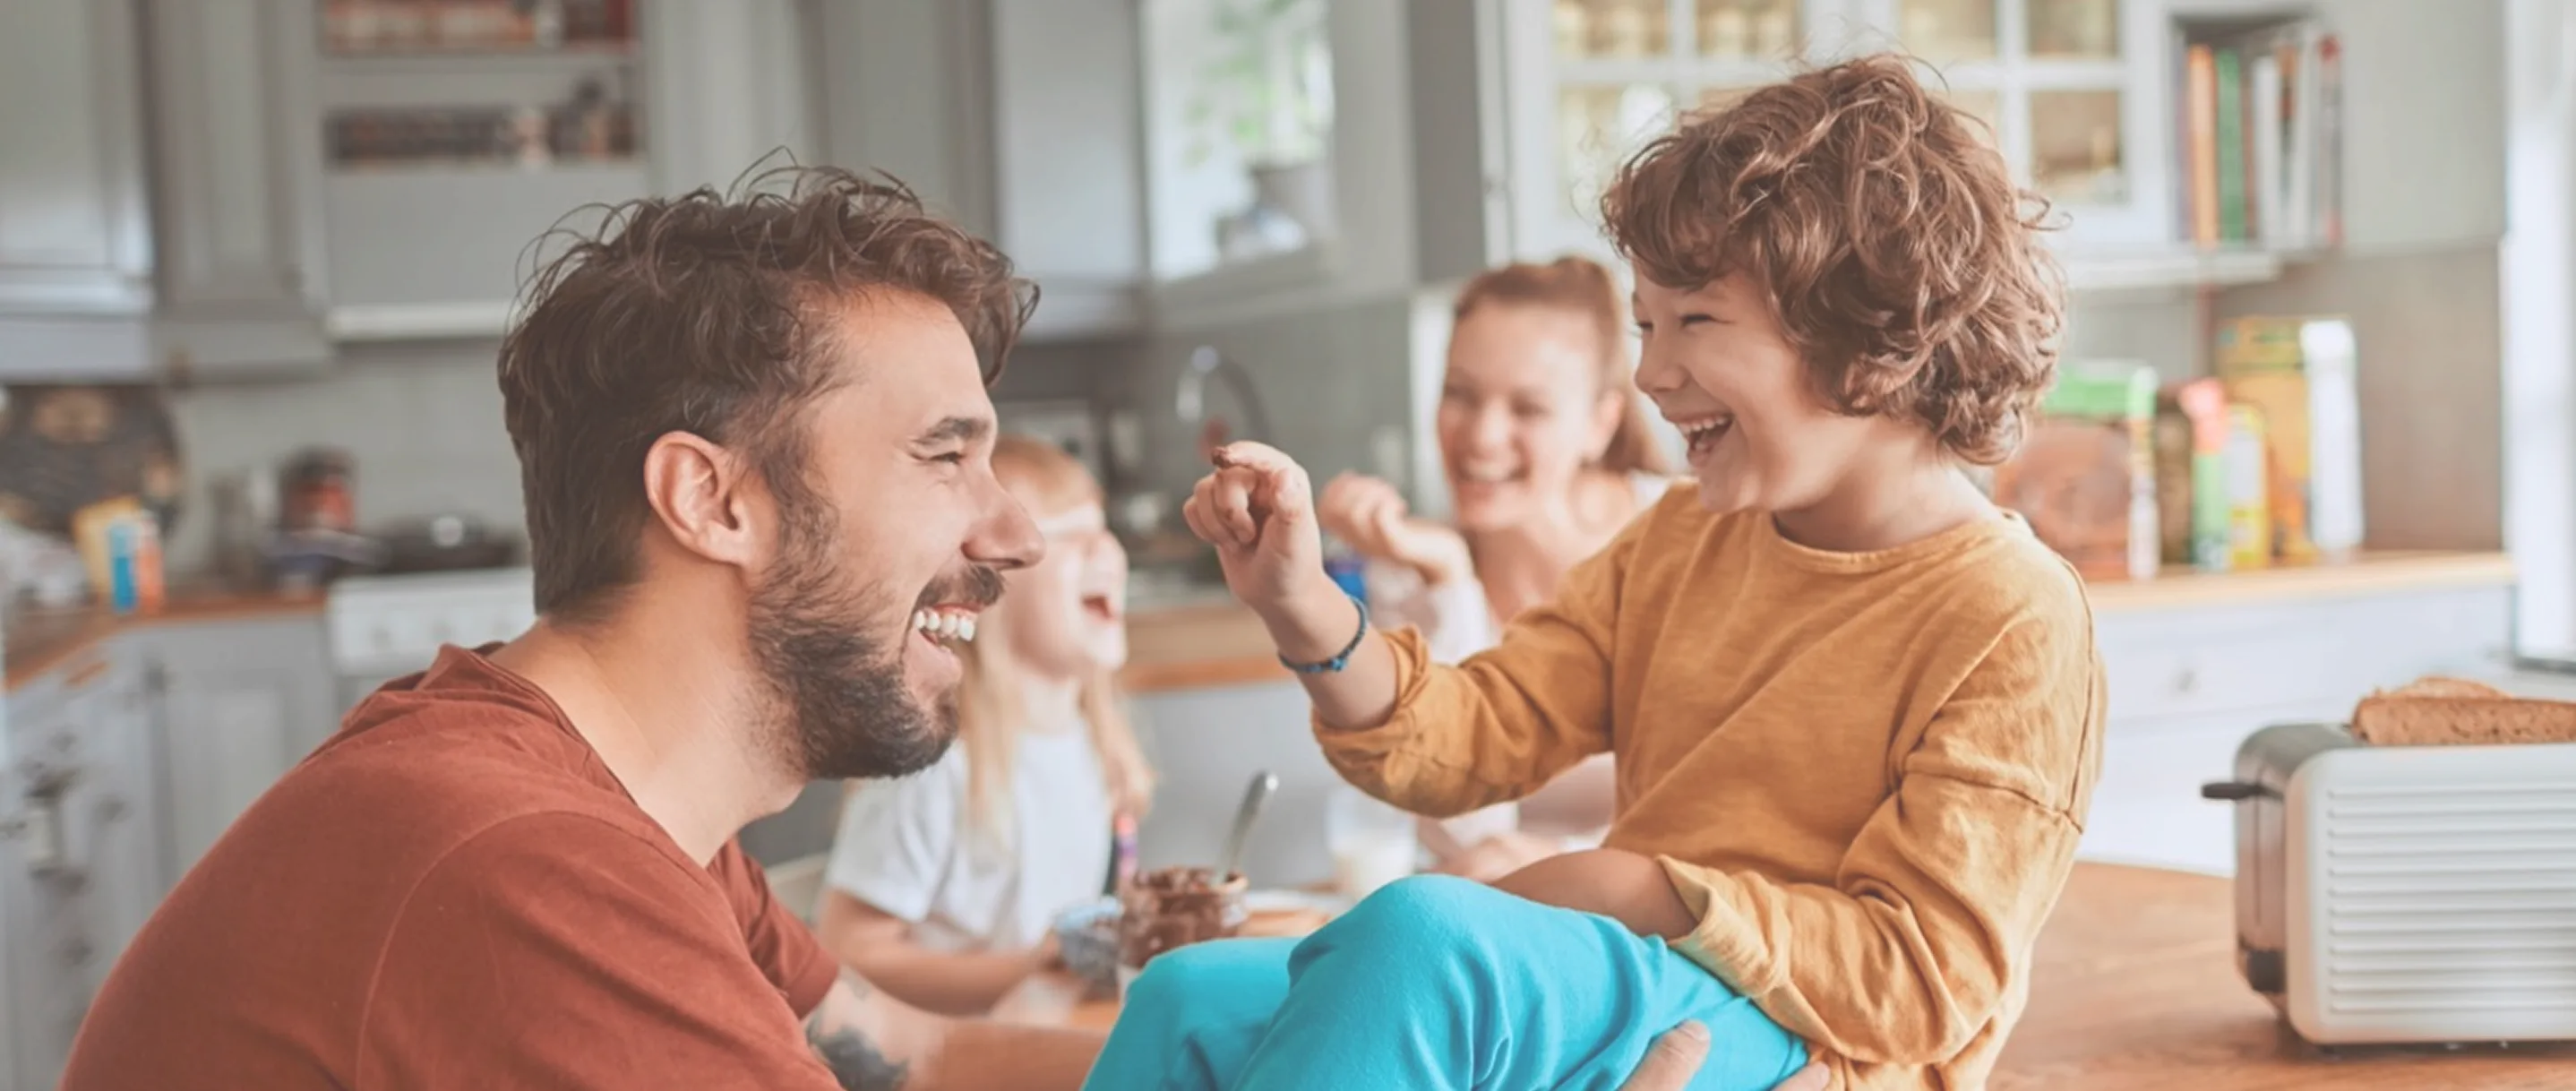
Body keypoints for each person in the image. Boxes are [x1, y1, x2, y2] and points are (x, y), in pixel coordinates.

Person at [56, 166, 1735, 1091]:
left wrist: (1307, 1030)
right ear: (712, 500)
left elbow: (909, 1055)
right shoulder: (513, 867)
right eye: (949, 458)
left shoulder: (622, 818)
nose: (1008, 535)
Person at [1105, 52, 2102, 1091]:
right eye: (1643, 325)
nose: (1649, 375)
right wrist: (1301, 604)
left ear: (1869, 339)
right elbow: (1470, 738)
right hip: (1636, 978)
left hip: (1807, 1048)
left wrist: (1636, 889)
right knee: (1185, 998)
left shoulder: (2011, 615)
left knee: (1423, 937)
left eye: (1695, 322)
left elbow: (1924, 980)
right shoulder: (1679, 540)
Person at [1318, 255, 1673, 880]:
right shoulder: (1413, 572)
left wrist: (1564, 860)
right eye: (1460, 393)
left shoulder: (1682, 537)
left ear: (1599, 425)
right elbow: (1452, 818)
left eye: (1528, 408)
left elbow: (1729, 807)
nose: (1481, 435)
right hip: (1501, 911)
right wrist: (1453, 582)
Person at [816, 434, 1155, 1016]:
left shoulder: (1092, 743)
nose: (1107, 552)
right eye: (1070, 536)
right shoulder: (936, 767)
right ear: (987, 587)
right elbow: (849, 949)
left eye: (1104, 529)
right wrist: (1028, 969)